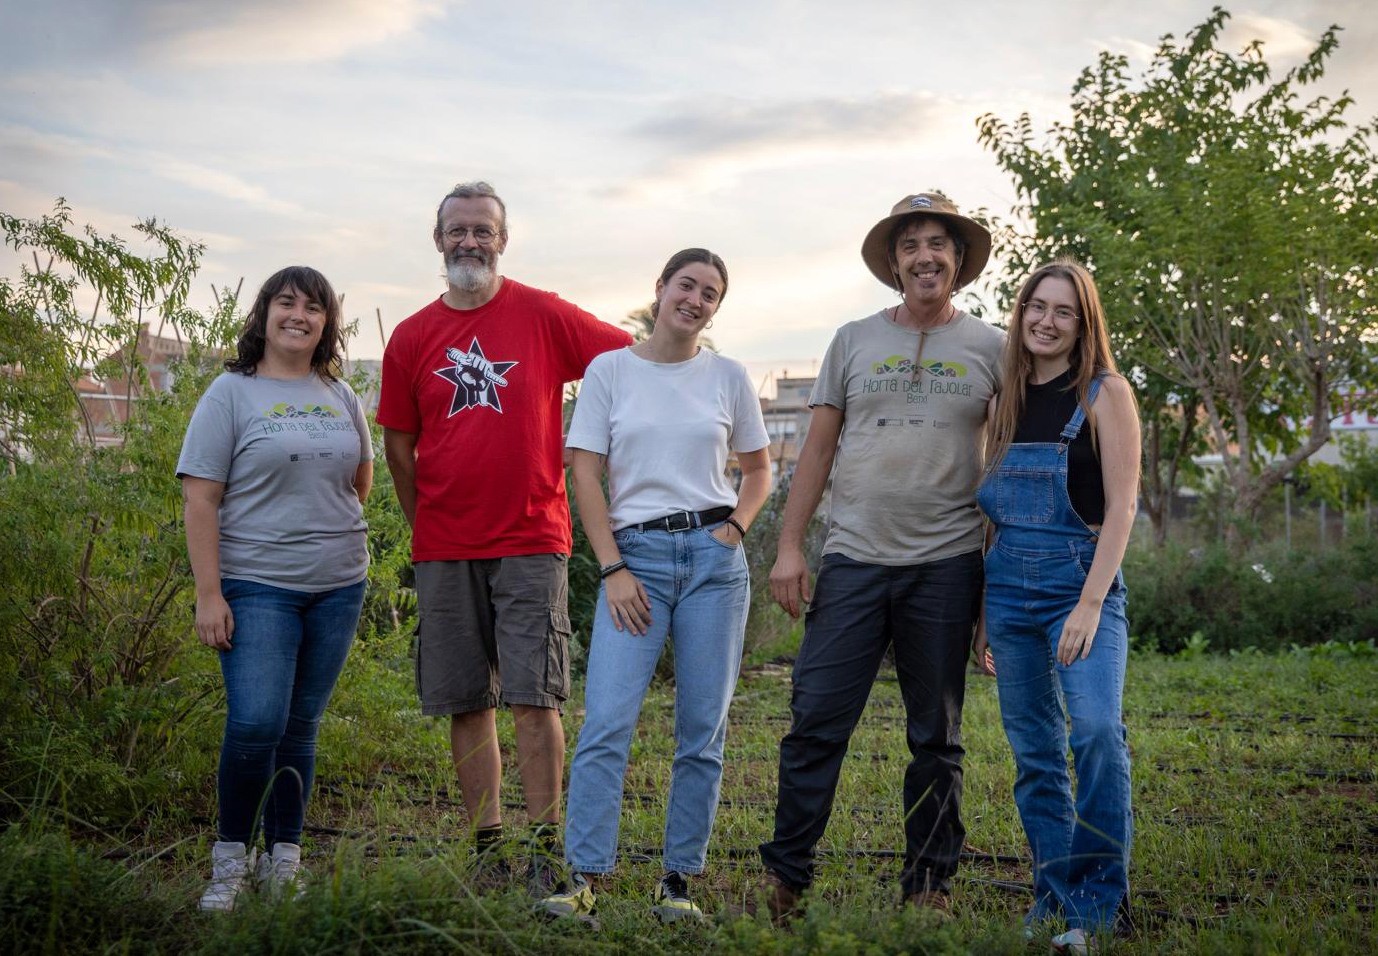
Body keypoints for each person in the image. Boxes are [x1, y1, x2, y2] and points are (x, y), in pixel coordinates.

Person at [752, 193, 1006, 919]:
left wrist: (992, 593)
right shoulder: (853, 340)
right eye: (910, 246)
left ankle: (928, 886)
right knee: (815, 723)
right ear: (894, 264)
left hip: (949, 565)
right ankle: (787, 878)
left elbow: (1004, 470)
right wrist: (792, 547)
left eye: (938, 244)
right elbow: (818, 451)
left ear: (958, 260)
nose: (925, 256)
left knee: (937, 738)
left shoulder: (992, 348)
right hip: (856, 561)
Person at [376, 181, 631, 891]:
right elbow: (399, 449)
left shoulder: (543, 314)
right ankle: (488, 849)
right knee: (466, 700)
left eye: (483, 230)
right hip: (445, 544)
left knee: (535, 698)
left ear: (503, 240)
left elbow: (629, 361)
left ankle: (548, 847)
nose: (469, 242)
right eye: (457, 230)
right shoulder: (413, 336)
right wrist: (423, 522)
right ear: (438, 241)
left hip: (531, 536)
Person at [538, 249, 771, 924]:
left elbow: (758, 472)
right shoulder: (610, 371)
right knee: (608, 720)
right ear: (660, 289)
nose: (695, 300)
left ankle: (677, 884)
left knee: (702, 729)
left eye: (710, 293)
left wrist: (735, 530)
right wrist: (612, 568)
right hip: (634, 561)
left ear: (716, 308)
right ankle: (585, 880)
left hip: (712, 566)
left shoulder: (727, 376)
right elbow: (585, 472)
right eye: (686, 285)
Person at [179, 266, 373, 911]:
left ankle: (282, 858)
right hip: (257, 585)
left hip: (340, 585)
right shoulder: (230, 393)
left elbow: (360, 479)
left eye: (313, 307)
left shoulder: (338, 392)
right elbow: (201, 498)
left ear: (326, 324)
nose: (299, 315)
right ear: (263, 314)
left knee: (300, 726)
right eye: (286, 303)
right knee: (257, 720)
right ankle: (230, 861)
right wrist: (211, 594)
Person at [972, 260, 1140, 954]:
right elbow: (992, 514)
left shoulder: (1106, 393)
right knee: (1035, 752)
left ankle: (1101, 905)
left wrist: (1091, 604)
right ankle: (1055, 897)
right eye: (1035, 307)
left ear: (1083, 322)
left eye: (1062, 311)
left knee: (1096, 731)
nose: (1045, 320)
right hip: (1007, 589)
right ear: (1021, 315)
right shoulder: (1003, 397)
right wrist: (985, 608)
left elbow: (1125, 503)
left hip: (1081, 585)